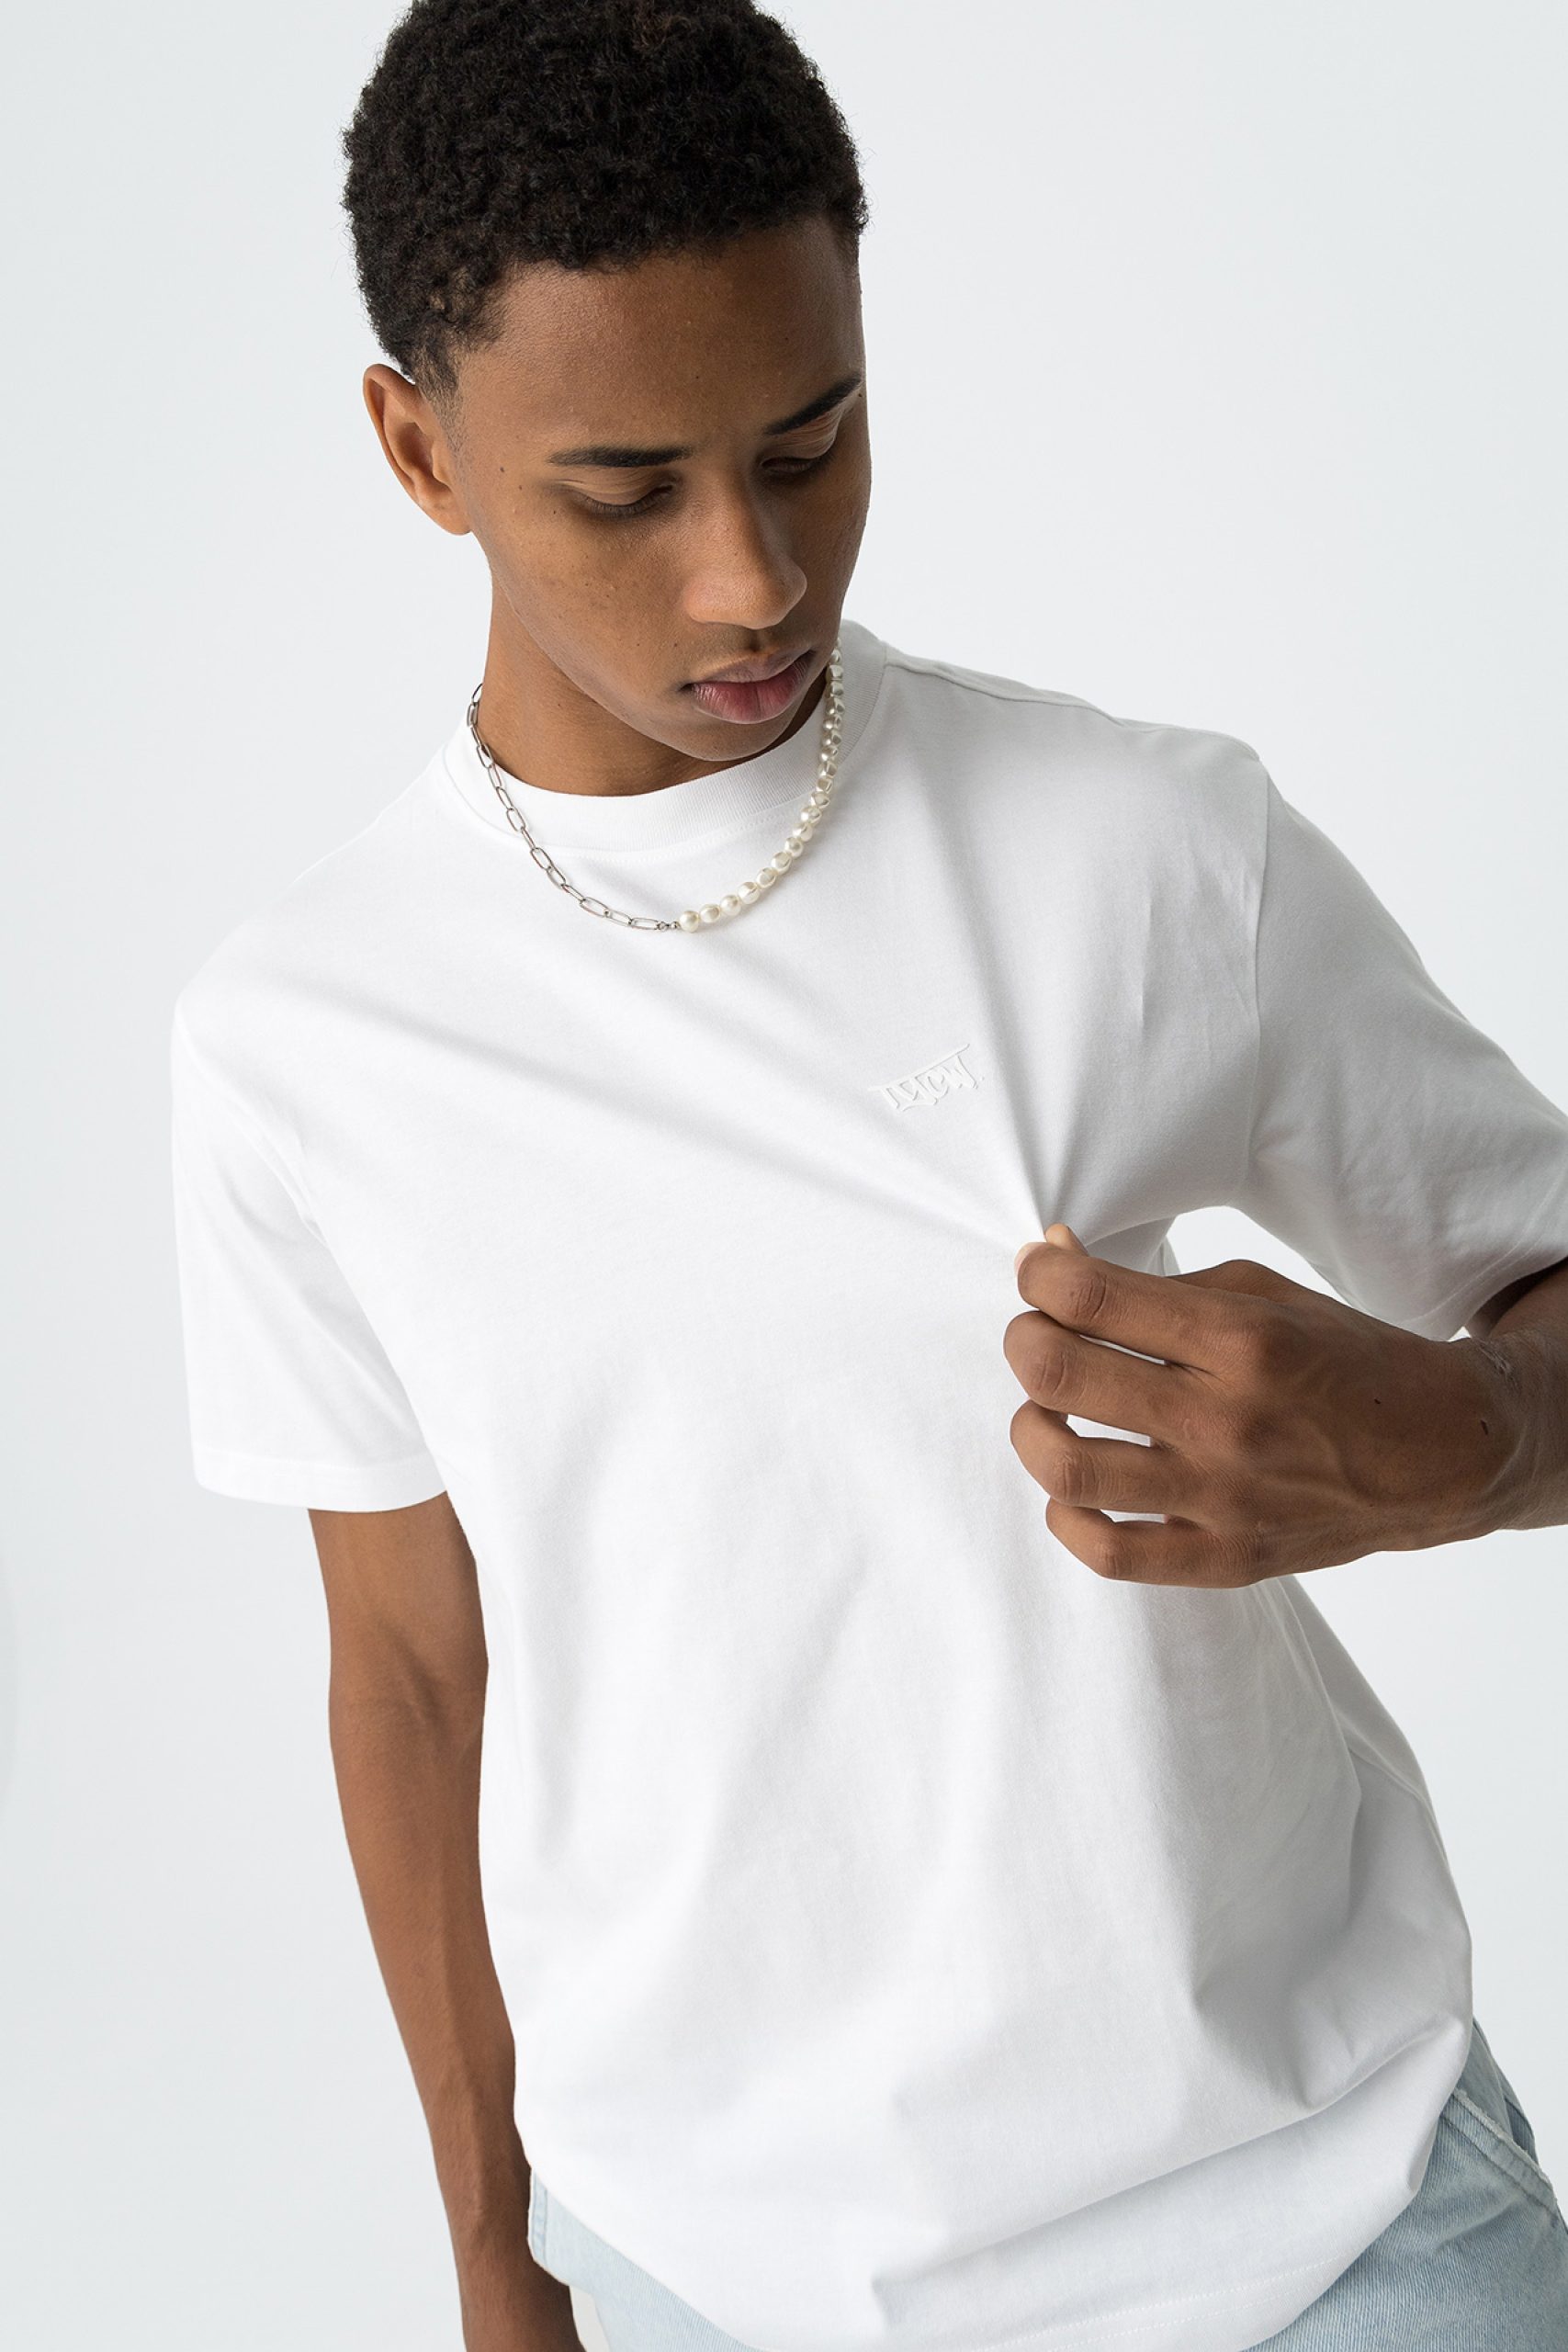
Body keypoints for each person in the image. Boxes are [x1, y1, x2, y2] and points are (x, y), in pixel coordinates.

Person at [167, 3, 1568, 2347]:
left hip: (1319, 2209)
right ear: (420, 448)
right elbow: (410, 1676)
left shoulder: (1145, 847)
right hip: (703, 2261)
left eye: (808, 445)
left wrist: (1468, 1435)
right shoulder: (300, 1042)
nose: (750, 578)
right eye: (624, 491)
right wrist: (496, 2250)